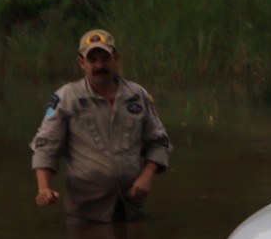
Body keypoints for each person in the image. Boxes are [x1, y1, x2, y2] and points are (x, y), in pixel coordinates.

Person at [31, 29, 173, 226]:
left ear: (116, 58)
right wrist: (44, 188)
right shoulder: (66, 97)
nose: (99, 65)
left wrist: (146, 177)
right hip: (85, 213)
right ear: (82, 62)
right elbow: (45, 145)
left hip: (131, 209)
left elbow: (159, 141)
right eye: (92, 59)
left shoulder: (137, 95)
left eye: (105, 58)